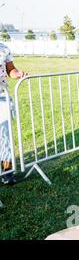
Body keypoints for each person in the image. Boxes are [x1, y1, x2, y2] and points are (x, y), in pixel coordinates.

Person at [0, 42, 27, 185]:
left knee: (5, 134)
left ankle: (7, 172)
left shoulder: (3, 48)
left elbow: (10, 70)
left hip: (2, 96)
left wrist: (18, 74)